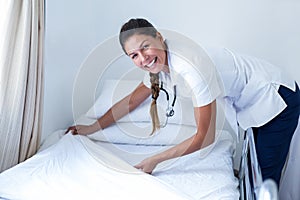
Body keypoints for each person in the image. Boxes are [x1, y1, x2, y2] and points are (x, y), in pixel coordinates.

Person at [66, 18, 300, 187]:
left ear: (159, 37)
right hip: (249, 104)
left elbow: (204, 137)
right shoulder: (158, 65)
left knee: (265, 177)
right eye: (134, 55)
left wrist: (155, 160)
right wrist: (91, 128)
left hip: (276, 98)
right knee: (253, 170)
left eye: (145, 47)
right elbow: (130, 101)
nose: (142, 58)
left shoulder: (191, 67)